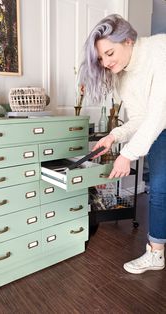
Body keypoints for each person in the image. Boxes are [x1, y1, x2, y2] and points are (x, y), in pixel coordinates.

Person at [79, 14, 166, 274]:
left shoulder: (159, 50)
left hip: (160, 120)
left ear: (127, 40)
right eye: (101, 59)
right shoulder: (123, 75)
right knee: (159, 189)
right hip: (160, 129)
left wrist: (126, 155)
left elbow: (158, 113)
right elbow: (140, 118)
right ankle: (156, 254)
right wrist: (113, 137)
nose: (106, 63)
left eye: (109, 53)